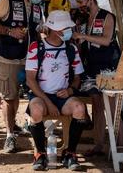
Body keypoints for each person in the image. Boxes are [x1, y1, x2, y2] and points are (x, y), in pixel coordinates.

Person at [0, 0, 49, 153]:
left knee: (21, 96)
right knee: (9, 97)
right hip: (7, 56)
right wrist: (9, 31)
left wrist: (42, 32)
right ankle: (9, 136)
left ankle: (15, 126)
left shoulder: (37, 5)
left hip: (29, 57)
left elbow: (35, 27)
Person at [26, 10, 92, 171]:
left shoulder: (71, 49)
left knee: (79, 108)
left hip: (63, 96)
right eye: (67, 28)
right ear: (56, 30)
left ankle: (70, 154)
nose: (70, 31)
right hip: (41, 96)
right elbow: (30, 79)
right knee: (35, 110)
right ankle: (40, 154)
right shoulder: (37, 47)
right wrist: (48, 102)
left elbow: (77, 77)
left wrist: (70, 90)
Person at [72, 0, 121, 157]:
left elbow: (107, 40)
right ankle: (99, 144)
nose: (79, 6)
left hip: (109, 65)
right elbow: (82, 41)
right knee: (97, 106)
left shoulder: (107, 16)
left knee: (113, 106)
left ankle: (119, 145)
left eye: (80, 2)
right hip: (91, 65)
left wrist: (84, 36)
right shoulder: (83, 18)